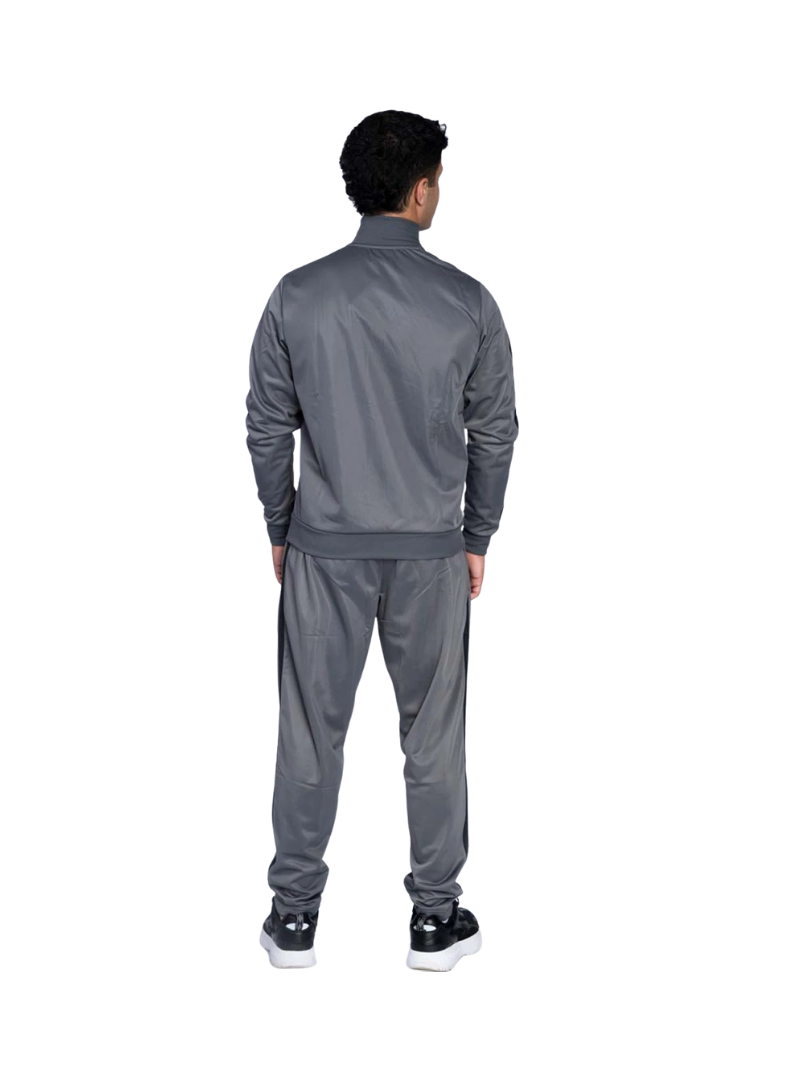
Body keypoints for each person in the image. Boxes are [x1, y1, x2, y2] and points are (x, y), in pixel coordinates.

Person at [245, 110, 518, 971]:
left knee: (308, 733)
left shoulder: (297, 294)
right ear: (423, 189)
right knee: (432, 739)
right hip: (431, 553)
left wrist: (281, 525)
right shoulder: (468, 301)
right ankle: (435, 921)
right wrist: (477, 534)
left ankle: (293, 920)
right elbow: (495, 431)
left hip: (323, 549)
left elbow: (266, 426)